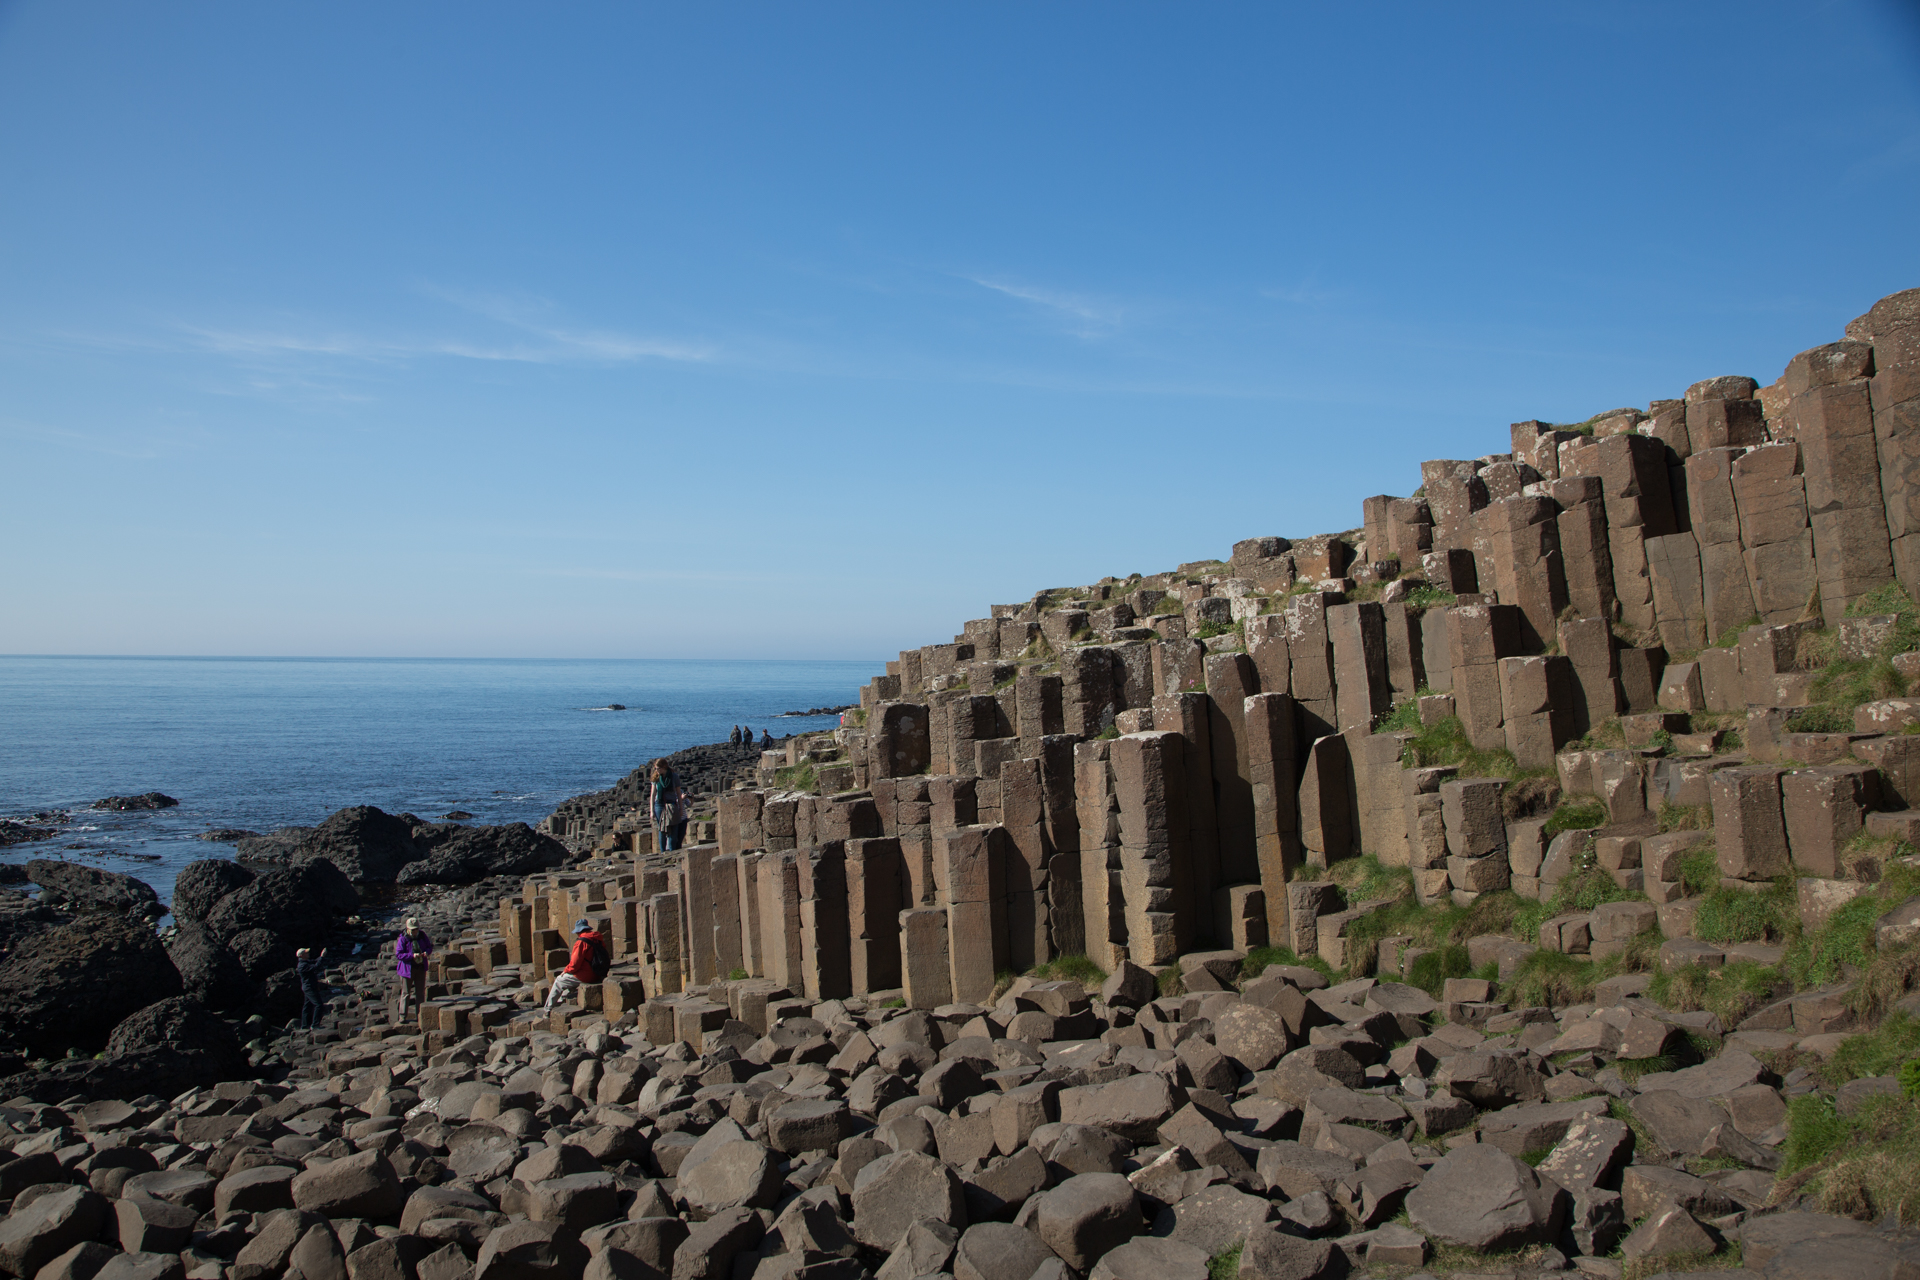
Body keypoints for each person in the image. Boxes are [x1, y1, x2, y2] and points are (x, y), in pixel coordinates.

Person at [544, 918, 609, 1011]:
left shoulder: (581, 942)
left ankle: (547, 1010)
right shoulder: (598, 938)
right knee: (568, 982)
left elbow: (574, 964)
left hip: (586, 976)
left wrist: (565, 971)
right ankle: (561, 1000)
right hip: (598, 973)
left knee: (559, 981)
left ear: (579, 931)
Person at [395, 917, 433, 1021]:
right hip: (407, 970)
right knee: (406, 993)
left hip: (420, 967)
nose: (415, 932)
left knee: (420, 993)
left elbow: (429, 947)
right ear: (407, 929)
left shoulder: (422, 935)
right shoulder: (403, 938)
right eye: (412, 930)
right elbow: (399, 954)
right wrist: (412, 956)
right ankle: (402, 1016)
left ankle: (419, 1015)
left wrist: (426, 952)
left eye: (416, 929)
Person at [650, 759, 689, 852]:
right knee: (662, 829)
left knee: (674, 827)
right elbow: (652, 795)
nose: (657, 770)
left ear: (664, 767)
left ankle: (672, 851)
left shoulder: (674, 777)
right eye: (655, 768)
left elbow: (678, 793)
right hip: (659, 804)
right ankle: (663, 851)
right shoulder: (656, 778)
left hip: (671, 804)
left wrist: (680, 808)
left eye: (658, 768)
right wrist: (652, 810)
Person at [295, 946, 328, 1031]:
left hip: (308, 987)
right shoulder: (302, 965)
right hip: (309, 988)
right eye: (306, 953)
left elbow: (315, 961)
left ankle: (305, 1025)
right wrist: (323, 957)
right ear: (302, 955)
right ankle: (315, 1025)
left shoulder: (305, 962)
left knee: (307, 1006)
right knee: (319, 1005)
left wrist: (321, 957)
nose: (308, 953)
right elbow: (316, 967)